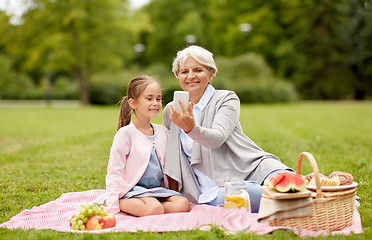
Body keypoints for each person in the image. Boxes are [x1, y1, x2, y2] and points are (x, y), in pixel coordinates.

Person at [163, 45, 294, 213]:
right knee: (262, 196)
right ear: (177, 76)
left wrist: (191, 128)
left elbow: (217, 138)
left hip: (253, 167)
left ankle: (320, 192)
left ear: (211, 74)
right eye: (184, 71)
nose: (191, 76)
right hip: (215, 187)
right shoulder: (171, 111)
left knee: (292, 187)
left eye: (198, 70)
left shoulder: (226, 98)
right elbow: (171, 154)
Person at [105, 75, 190, 217]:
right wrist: (113, 207)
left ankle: (148, 209)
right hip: (132, 190)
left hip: (156, 191)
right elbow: (114, 172)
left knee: (183, 204)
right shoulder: (125, 134)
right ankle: (113, 204)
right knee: (154, 208)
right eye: (149, 98)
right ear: (133, 103)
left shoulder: (163, 132)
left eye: (158, 98)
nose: (156, 103)